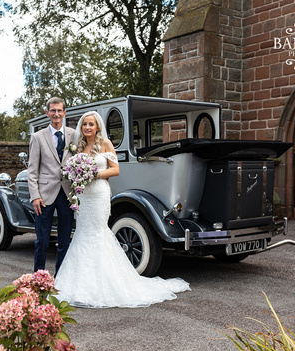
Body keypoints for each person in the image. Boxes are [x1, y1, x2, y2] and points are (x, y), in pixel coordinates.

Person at [55, 111, 191, 308]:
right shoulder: (80, 147)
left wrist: (94, 173)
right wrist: (76, 175)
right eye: (84, 124)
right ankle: (79, 284)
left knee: (98, 233)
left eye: (91, 124)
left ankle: (108, 285)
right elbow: (74, 171)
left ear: (97, 127)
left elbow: (115, 169)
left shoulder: (106, 144)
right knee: (82, 233)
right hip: (84, 196)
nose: (87, 127)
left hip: (100, 194)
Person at [27, 97, 77, 274]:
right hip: (44, 196)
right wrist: (35, 196)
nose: (56, 114)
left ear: (64, 113)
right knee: (42, 241)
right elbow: (32, 170)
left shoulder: (74, 135)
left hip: (67, 194)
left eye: (59, 110)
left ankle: (61, 277)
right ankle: (38, 279)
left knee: (64, 240)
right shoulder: (37, 137)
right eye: (53, 111)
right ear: (47, 113)